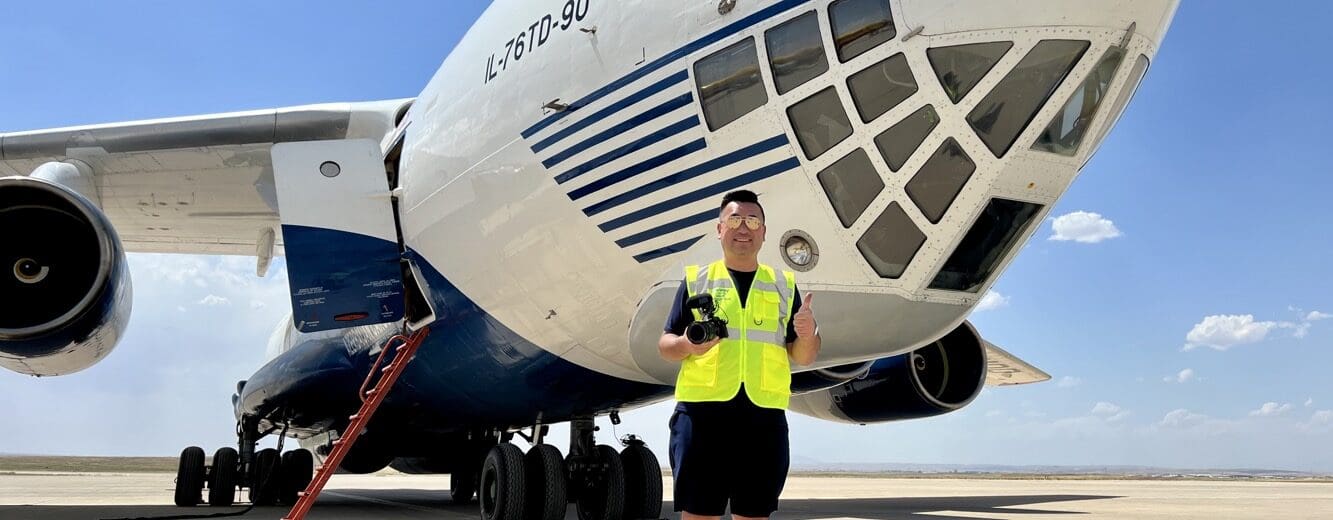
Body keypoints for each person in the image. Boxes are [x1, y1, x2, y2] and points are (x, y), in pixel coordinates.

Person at [659, 189, 820, 520]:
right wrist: (687, 344)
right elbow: (666, 345)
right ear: (719, 229)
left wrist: (809, 334)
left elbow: (804, 357)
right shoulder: (697, 280)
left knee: (754, 515)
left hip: (762, 420)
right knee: (698, 515)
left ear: (764, 232)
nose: (743, 228)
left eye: (752, 221)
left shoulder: (783, 285)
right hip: (702, 418)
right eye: (734, 220)